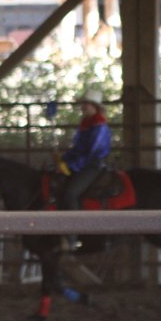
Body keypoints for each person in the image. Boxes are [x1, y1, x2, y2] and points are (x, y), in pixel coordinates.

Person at [57, 88, 112, 248]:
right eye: (83, 104)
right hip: (83, 163)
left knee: (71, 193)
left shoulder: (99, 126)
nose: (83, 107)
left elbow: (91, 153)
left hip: (92, 165)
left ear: (95, 106)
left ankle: (72, 237)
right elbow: (78, 149)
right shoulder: (87, 124)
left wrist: (70, 165)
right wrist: (63, 160)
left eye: (86, 104)